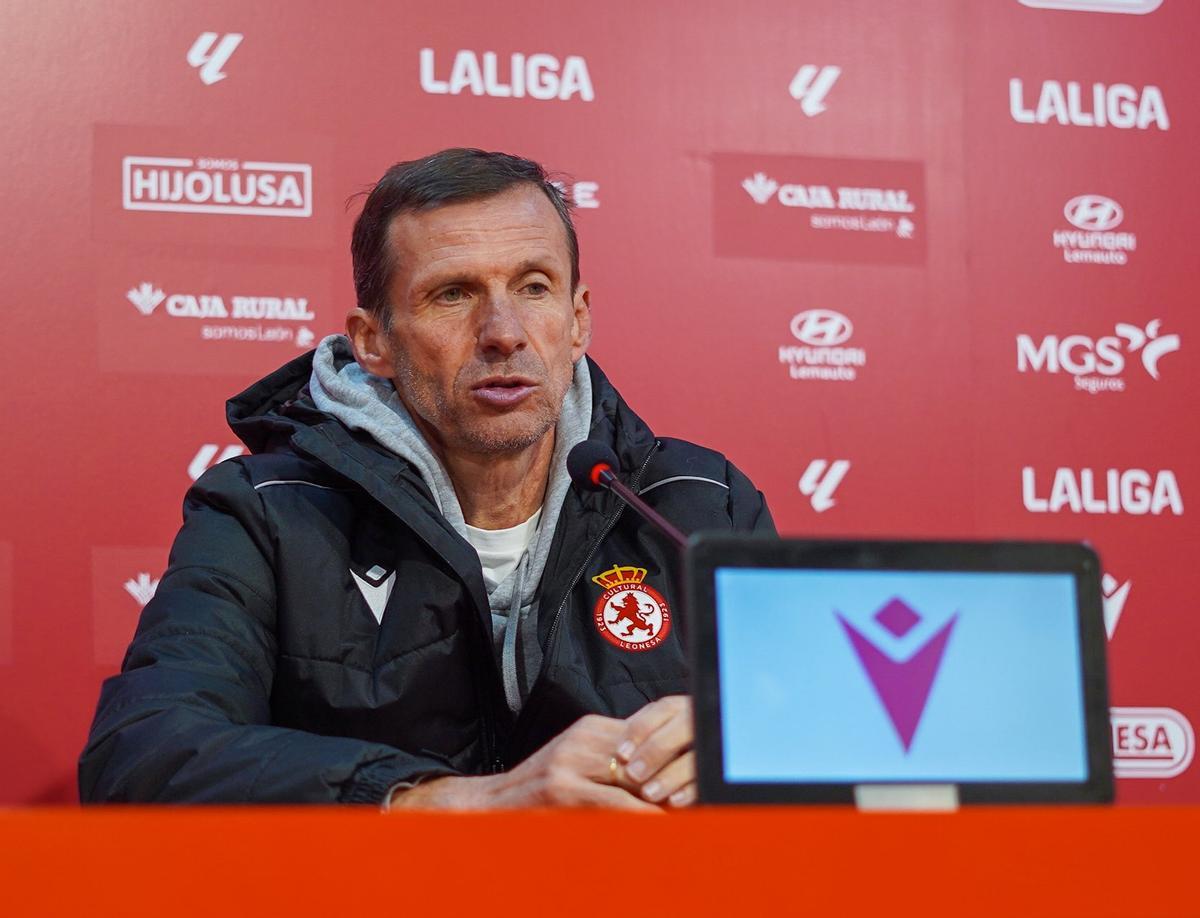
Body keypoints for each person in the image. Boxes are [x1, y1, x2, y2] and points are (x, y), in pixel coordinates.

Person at [79, 149, 775, 808]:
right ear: (373, 340)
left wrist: (737, 748)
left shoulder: (695, 502)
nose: (503, 331)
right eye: (452, 294)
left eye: (534, 287)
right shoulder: (268, 513)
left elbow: (826, 735)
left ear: (578, 318)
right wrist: (457, 805)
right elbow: (142, 755)